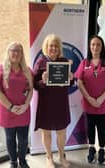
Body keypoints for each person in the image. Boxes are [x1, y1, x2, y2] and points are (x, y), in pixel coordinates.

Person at [75, 35, 105, 165]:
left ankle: (101, 150)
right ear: (90, 47)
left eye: (98, 44)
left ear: (102, 47)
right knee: (90, 126)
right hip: (88, 103)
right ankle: (91, 148)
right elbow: (79, 82)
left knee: (101, 127)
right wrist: (89, 98)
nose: (95, 47)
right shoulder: (85, 63)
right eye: (93, 44)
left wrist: (101, 98)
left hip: (103, 103)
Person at [0, 42, 33, 168]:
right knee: (10, 138)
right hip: (7, 111)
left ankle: (23, 161)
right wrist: (11, 107)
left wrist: (25, 105)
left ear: (22, 54)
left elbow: (30, 90)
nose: (16, 53)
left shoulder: (27, 71)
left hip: (23, 111)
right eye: (13, 50)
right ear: (8, 52)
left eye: (19, 50)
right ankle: (13, 162)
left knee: (23, 140)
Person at [33, 34, 73, 168]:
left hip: (61, 103)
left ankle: (62, 156)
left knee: (62, 131)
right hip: (46, 103)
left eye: (56, 46)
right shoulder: (40, 62)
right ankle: (49, 157)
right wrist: (42, 81)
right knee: (47, 132)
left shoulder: (64, 61)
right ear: (46, 47)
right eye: (51, 45)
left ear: (59, 48)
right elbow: (34, 84)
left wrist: (71, 78)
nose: (53, 48)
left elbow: (69, 83)